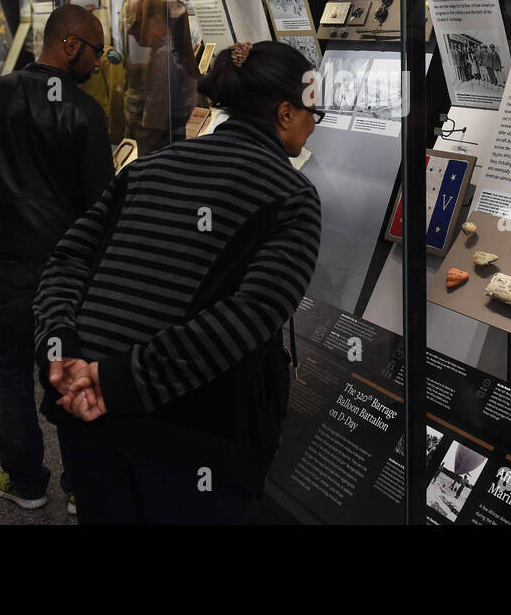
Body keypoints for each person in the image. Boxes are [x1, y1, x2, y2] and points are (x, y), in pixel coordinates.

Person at [35, 40, 323, 524]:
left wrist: (61, 352)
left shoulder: (147, 169)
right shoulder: (292, 197)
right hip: (189, 435)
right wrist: (118, 381)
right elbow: (244, 321)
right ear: (286, 111)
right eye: (315, 112)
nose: (317, 124)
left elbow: (67, 261)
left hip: (85, 414)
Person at [0, 4, 112, 514]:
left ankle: (25, 481)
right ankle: (80, 485)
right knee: (71, 369)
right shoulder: (86, 112)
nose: (99, 61)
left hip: (6, 259)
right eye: (96, 50)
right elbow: (100, 204)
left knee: (13, 374)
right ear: (70, 45)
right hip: (67, 268)